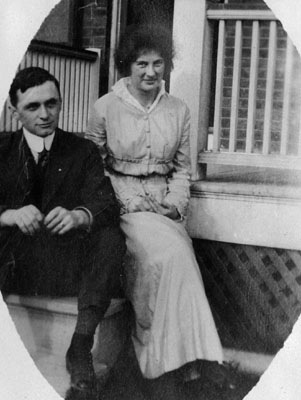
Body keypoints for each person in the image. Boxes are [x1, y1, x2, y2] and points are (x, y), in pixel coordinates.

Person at [85, 24, 225, 387]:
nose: (151, 72)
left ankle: (179, 361)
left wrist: (175, 205)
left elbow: (182, 170)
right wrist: (126, 201)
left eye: (158, 63)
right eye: (141, 64)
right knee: (167, 257)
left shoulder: (179, 110)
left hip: (164, 206)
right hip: (124, 206)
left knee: (177, 253)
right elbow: (93, 169)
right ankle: (177, 362)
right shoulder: (105, 108)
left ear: (168, 65)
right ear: (126, 66)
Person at [0, 67, 126, 400]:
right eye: (33, 107)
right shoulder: (1, 150)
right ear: (14, 112)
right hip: (12, 266)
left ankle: (81, 346)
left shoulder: (80, 150)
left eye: (52, 104)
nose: (45, 114)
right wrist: (8, 215)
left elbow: (107, 204)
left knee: (110, 237)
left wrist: (79, 216)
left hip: (62, 266)